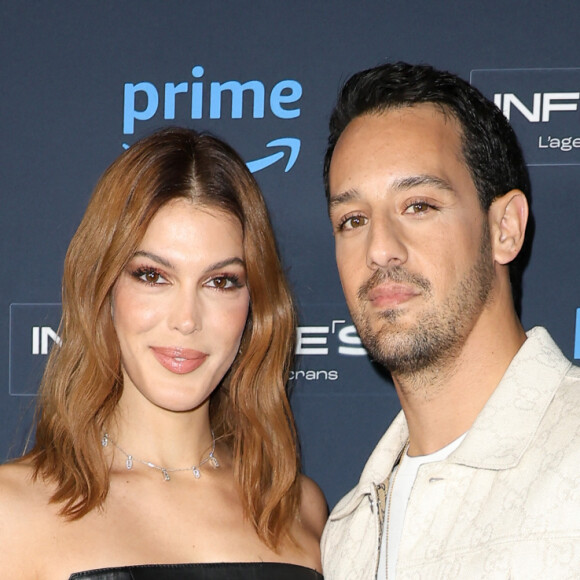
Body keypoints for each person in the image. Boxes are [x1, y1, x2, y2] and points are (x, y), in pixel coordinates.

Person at [0, 127, 327, 579]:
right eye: (153, 276)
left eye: (220, 281)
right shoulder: (11, 514)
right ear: (103, 287)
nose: (186, 318)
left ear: (255, 304)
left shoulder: (298, 509)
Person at [320, 62, 580, 579]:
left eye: (418, 205)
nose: (380, 249)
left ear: (505, 228)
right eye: (353, 220)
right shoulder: (345, 532)